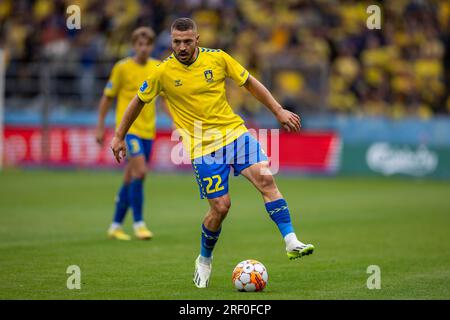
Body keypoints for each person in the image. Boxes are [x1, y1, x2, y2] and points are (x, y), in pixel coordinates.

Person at [111, 18, 314, 287]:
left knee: (266, 179)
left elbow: (251, 83)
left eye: (186, 41)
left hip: (235, 134)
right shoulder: (162, 72)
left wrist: (278, 110)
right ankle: (204, 259)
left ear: (197, 40)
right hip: (202, 148)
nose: (181, 47)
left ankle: (291, 241)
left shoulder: (218, 59)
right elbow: (137, 102)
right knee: (221, 207)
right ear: (171, 42)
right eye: (176, 42)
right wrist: (118, 135)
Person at [96, 27, 162, 241]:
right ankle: (139, 223)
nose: (144, 48)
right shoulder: (122, 68)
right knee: (140, 172)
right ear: (134, 46)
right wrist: (100, 126)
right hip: (128, 131)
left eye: (148, 44)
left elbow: (167, 98)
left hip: (148, 131)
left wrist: (177, 122)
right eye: (140, 44)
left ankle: (115, 226)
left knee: (131, 177)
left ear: (152, 46)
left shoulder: (157, 67)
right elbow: (107, 97)